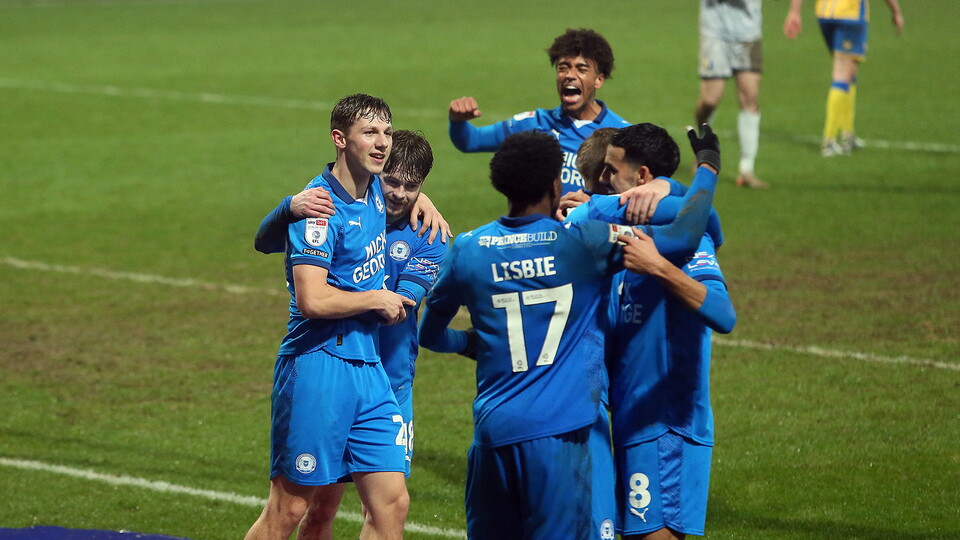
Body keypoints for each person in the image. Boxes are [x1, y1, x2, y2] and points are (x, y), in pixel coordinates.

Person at [417, 127, 721, 540]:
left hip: (492, 436)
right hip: (558, 438)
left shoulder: (469, 248)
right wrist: (703, 169)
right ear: (555, 184)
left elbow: (430, 334)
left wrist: (470, 342)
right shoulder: (585, 243)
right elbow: (689, 230)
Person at [253, 130, 446, 539]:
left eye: (412, 187)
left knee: (390, 504)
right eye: (392, 181)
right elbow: (270, 246)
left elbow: (397, 309)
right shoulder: (346, 206)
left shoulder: (429, 236)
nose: (398, 194)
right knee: (314, 507)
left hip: (388, 382)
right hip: (329, 367)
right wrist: (290, 206)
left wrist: (418, 199)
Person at [566, 123, 735, 539]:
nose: (603, 182)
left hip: (668, 425)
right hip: (627, 422)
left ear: (641, 177)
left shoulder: (685, 247)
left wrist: (658, 267)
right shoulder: (630, 235)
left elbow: (723, 313)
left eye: (610, 172)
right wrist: (670, 188)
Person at [448, 28, 630, 194]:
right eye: (563, 67)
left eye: (581, 69)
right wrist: (457, 121)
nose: (569, 75)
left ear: (599, 80)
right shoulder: (534, 123)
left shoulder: (622, 135)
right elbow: (472, 141)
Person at [783, 0, 904, 156]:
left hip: (824, 13)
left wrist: (794, 11)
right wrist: (895, 11)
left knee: (849, 72)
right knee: (842, 73)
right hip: (850, 13)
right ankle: (829, 141)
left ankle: (848, 135)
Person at [695, 0, 768, 188]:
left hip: (748, 33)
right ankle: (702, 145)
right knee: (710, 100)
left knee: (749, 97)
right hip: (715, 33)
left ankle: (747, 169)